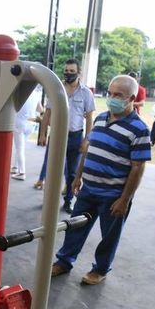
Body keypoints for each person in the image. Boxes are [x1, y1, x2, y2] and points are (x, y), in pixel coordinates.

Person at [51, 74, 151, 285]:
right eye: (110, 93)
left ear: (131, 98)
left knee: (109, 236)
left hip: (113, 195)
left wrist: (124, 200)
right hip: (88, 190)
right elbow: (86, 151)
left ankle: (100, 269)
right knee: (75, 227)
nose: (112, 98)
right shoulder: (100, 118)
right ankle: (64, 261)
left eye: (118, 95)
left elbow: (137, 168)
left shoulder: (139, 129)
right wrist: (77, 178)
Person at [35, 59, 95, 215]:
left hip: (76, 137)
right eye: (66, 71)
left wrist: (87, 139)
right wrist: (42, 134)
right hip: (56, 136)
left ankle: (68, 201)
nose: (68, 74)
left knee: (72, 173)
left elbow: (89, 117)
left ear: (78, 73)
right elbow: (48, 112)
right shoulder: (56, 88)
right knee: (51, 168)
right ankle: (49, 200)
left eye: (71, 71)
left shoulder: (86, 92)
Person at [11, 85, 43, 181]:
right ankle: (15, 167)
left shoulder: (19, 93)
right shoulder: (36, 94)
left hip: (20, 122)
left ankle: (22, 172)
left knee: (19, 148)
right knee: (21, 147)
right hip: (31, 123)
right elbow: (40, 109)